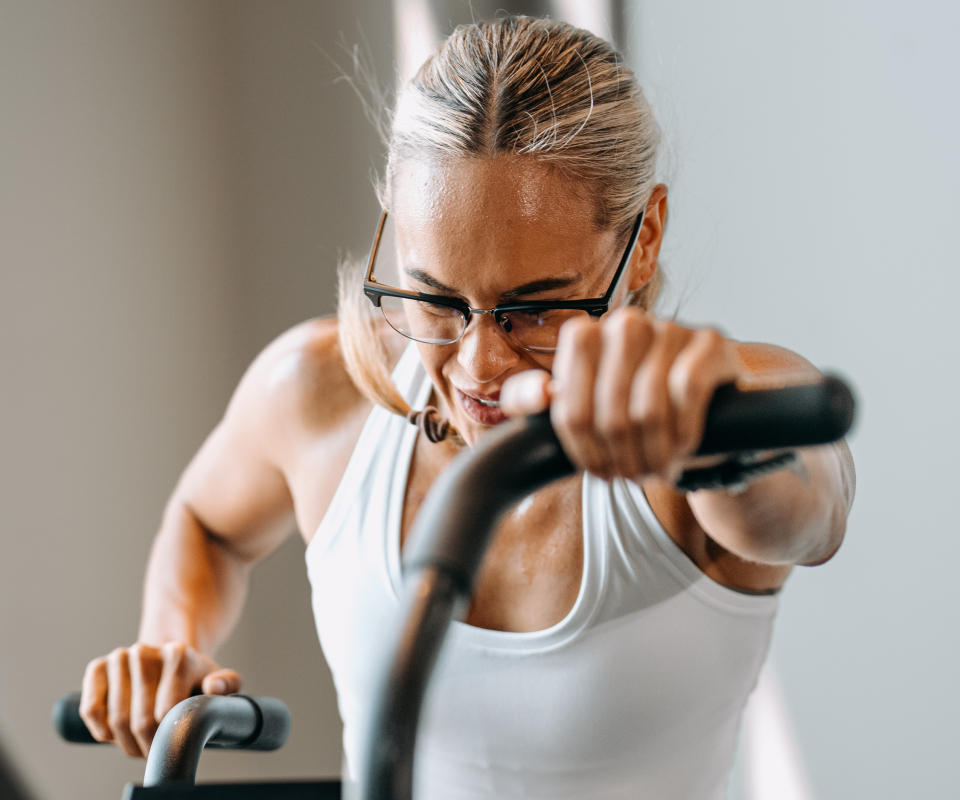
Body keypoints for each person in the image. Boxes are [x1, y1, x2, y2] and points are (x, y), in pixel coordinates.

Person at [79, 16, 855, 799]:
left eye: (536, 308)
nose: (480, 364)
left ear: (644, 237)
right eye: (437, 300)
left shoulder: (709, 408)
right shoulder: (319, 394)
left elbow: (814, 506)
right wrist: (169, 642)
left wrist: (716, 445)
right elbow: (207, 523)